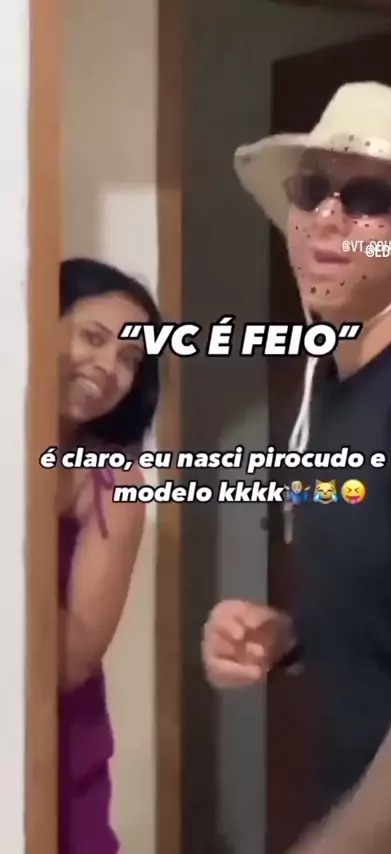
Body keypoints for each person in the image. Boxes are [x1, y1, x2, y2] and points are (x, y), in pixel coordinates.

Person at [201, 82, 391, 854]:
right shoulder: (329, 386)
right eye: (312, 189)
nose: (328, 216)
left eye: (368, 197)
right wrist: (290, 636)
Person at [58, 258, 161, 854]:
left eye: (129, 359)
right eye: (93, 337)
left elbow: (71, 659)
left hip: (55, 744)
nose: (108, 367)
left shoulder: (113, 479)